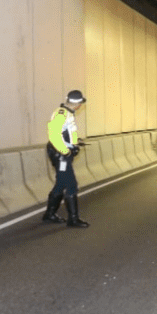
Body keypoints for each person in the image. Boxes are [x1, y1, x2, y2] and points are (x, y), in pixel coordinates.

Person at [43, 90, 89, 228]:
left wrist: (74, 143)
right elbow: (54, 134)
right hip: (60, 154)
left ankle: (49, 214)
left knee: (61, 183)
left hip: (61, 152)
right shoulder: (62, 114)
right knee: (71, 184)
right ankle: (73, 219)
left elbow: (65, 133)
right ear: (79, 104)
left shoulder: (66, 113)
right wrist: (66, 152)